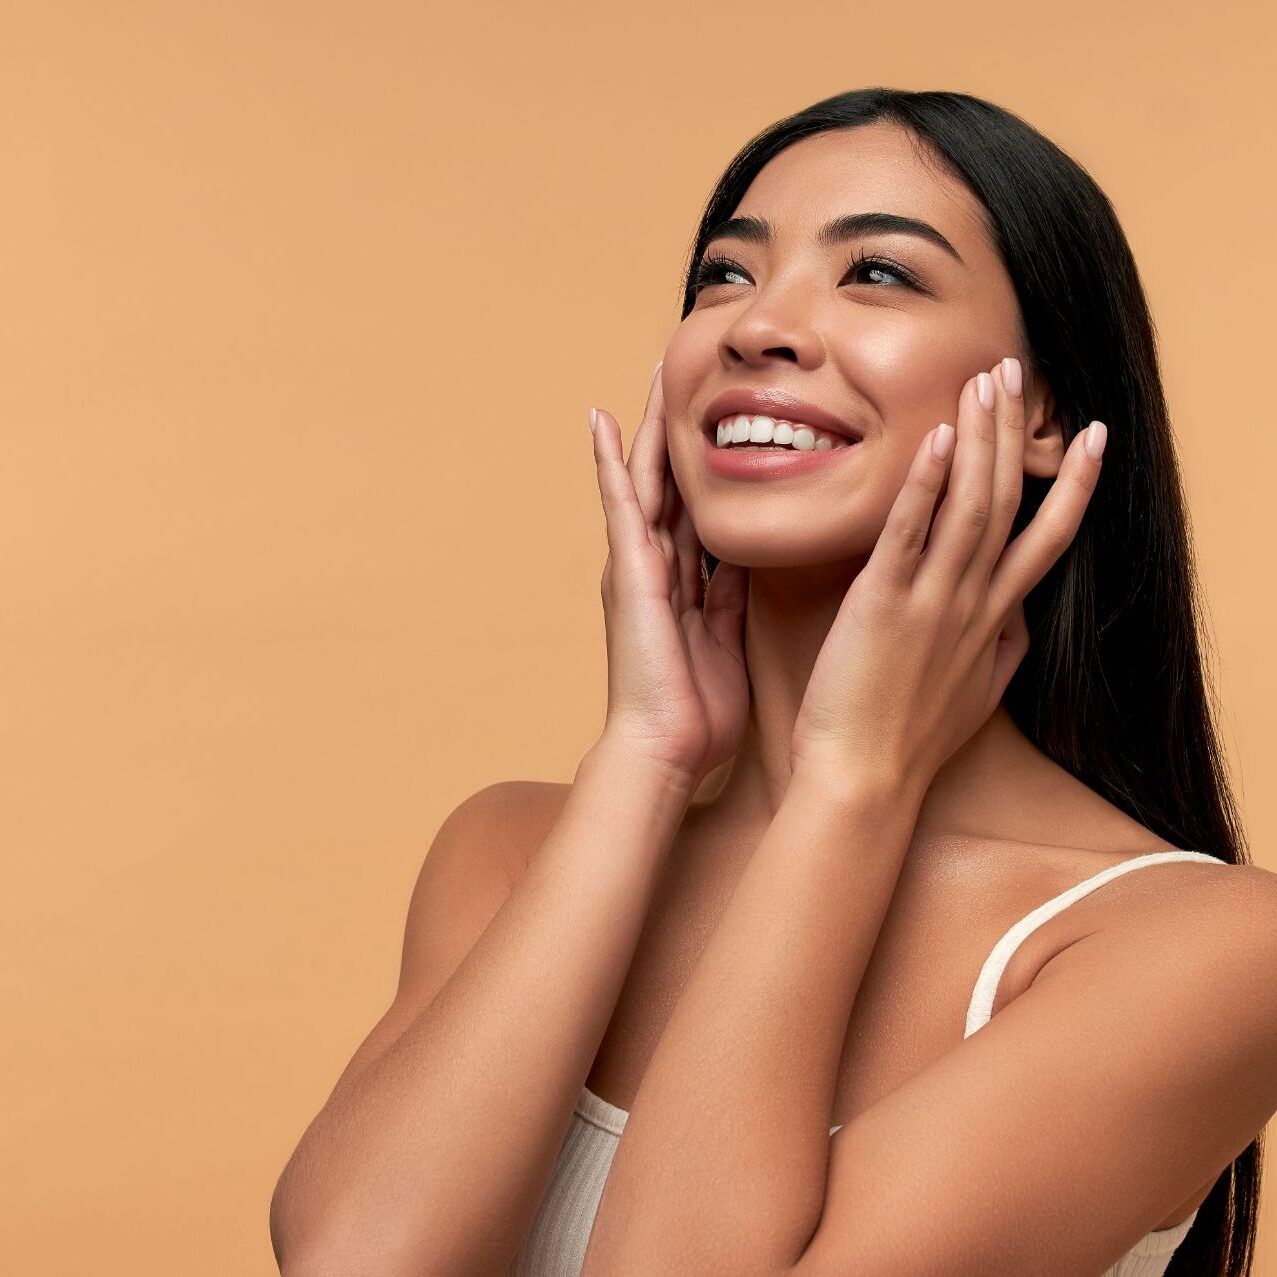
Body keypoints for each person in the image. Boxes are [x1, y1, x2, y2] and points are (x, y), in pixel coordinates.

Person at [268, 88, 1276, 1277]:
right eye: (723, 278)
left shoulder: (1197, 950)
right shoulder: (508, 850)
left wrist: (852, 783)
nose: (757, 327)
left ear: (1044, 408)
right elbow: (357, 1263)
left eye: (879, 276)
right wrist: (644, 754)